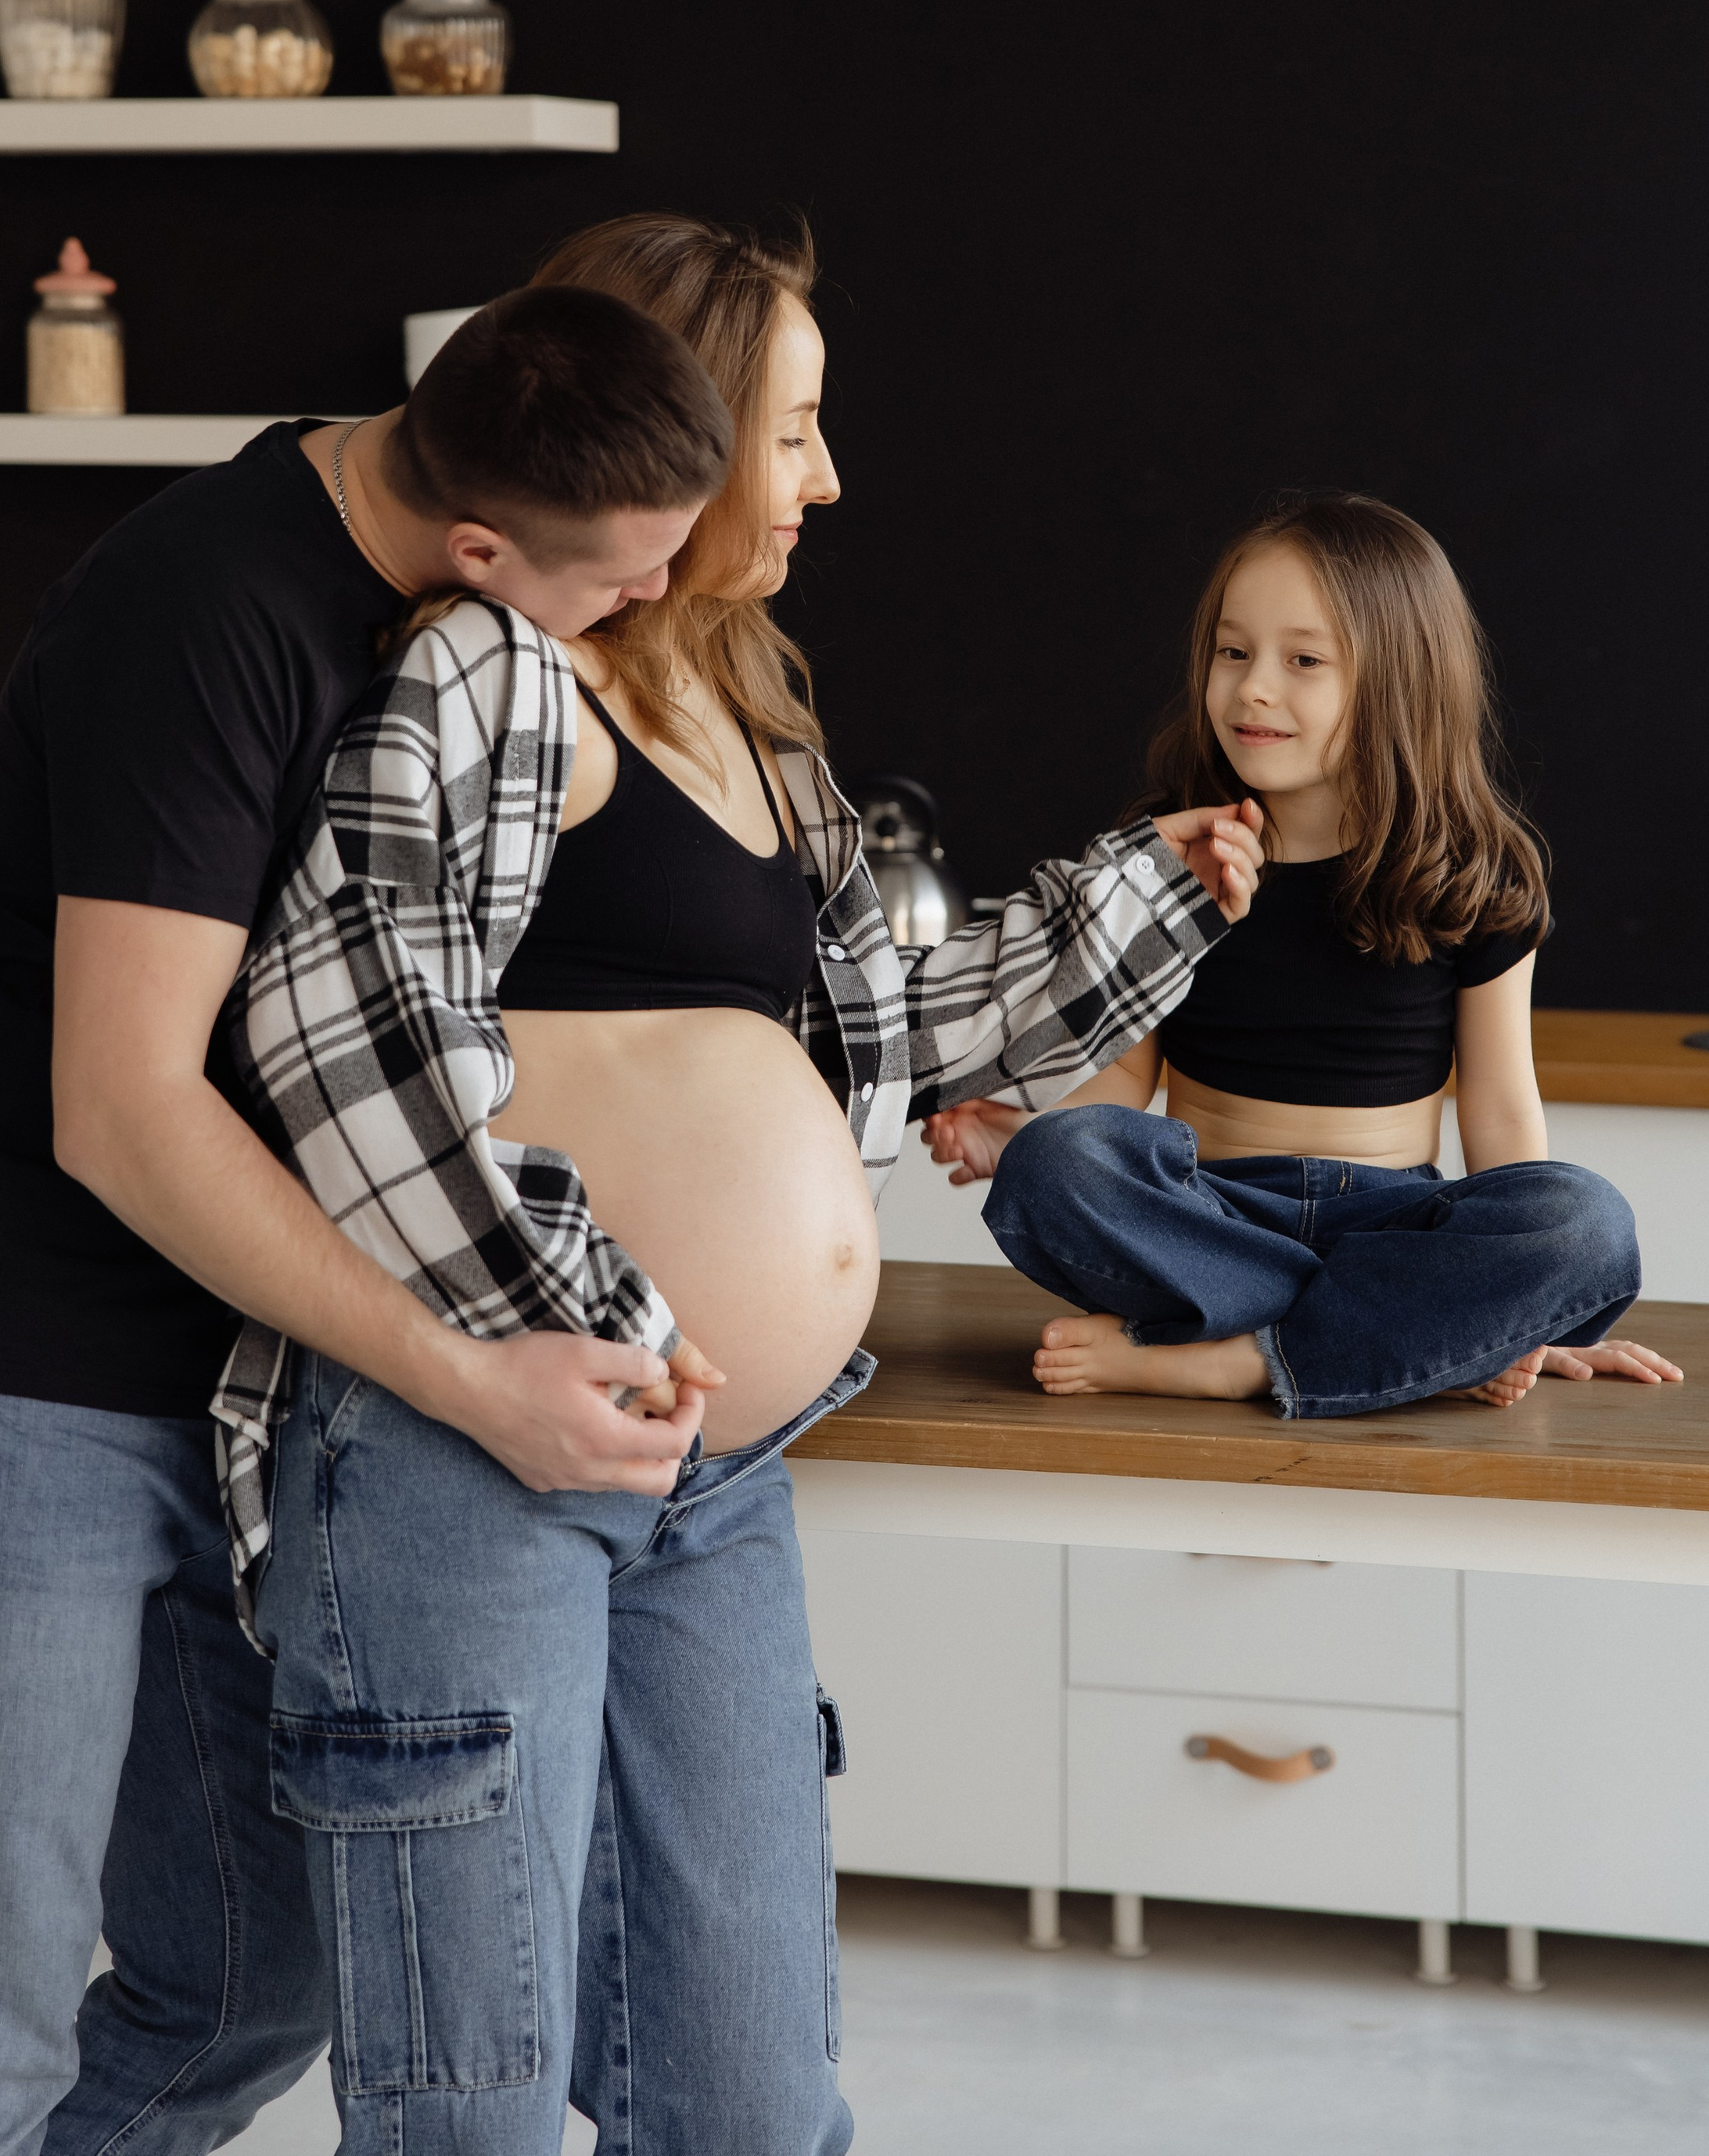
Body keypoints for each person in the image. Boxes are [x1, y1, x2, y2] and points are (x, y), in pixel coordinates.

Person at [214, 212, 1266, 2156]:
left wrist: (1148, 896)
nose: (825, 477)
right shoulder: (497, 678)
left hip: (713, 1475)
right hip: (474, 1453)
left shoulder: (747, 709)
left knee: (752, 2099)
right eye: (790, 431)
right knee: (469, 2113)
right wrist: (606, 1311)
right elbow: (343, 1035)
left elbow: (878, 1035)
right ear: (671, 438)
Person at [0, 287, 737, 2153]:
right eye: (625, 572)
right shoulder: (202, 612)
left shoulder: (454, 626)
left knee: (248, 1974)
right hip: (17, 1378)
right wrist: (473, 1381)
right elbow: (124, 1112)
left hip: (248, 1372)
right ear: (481, 548)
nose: (650, 598)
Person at [926, 490, 1684, 1416]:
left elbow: (1498, 1108)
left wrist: (1528, 1295)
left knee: (1582, 1221)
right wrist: (1023, 1134)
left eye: (1303, 661)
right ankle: (1395, 1339)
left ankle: (1241, 1359)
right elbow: (1125, 1080)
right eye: (1233, 652)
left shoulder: (1475, 873)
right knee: (1060, 1160)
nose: (1253, 688)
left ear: (1399, 682)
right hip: (1210, 1215)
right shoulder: (1178, 855)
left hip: (1395, 1226)